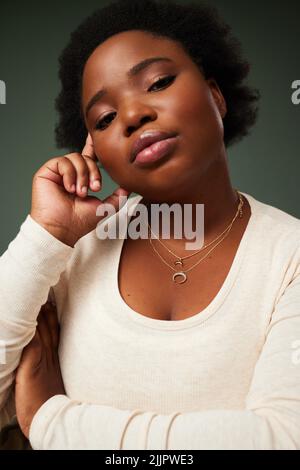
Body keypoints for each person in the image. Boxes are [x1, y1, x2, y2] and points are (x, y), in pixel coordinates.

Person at [0, 0, 300, 450]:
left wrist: (50, 420)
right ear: (96, 149)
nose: (133, 115)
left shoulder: (290, 255)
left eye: (158, 82)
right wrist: (47, 236)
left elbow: (282, 438)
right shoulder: (70, 254)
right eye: (104, 119)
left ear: (216, 97)